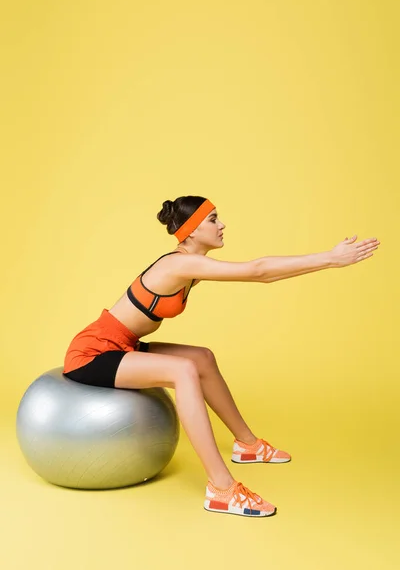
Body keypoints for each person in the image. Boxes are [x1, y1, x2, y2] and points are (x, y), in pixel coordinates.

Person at [63, 195, 380, 517]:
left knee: (202, 358)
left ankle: (248, 445)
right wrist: (329, 258)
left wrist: (327, 262)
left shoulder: (191, 264)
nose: (222, 224)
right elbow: (259, 271)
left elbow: (264, 274)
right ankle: (222, 489)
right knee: (183, 370)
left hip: (122, 343)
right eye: (213, 219)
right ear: (191, 230)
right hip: (93, 353)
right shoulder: (179, 263)